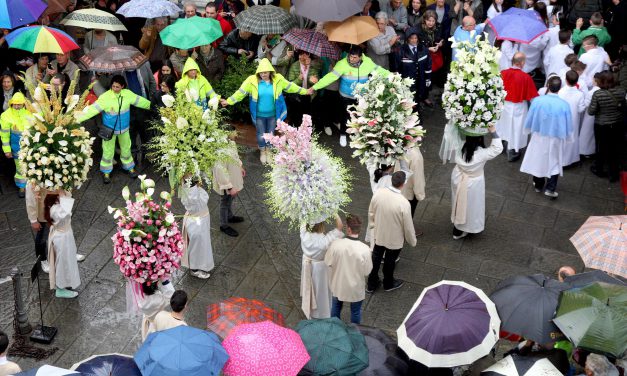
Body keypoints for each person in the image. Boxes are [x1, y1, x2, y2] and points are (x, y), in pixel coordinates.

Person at [221, 58, 308, 163]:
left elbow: (291, 87)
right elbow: (241, 92)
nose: (263, 74)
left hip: (273, 114)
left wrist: (305, 91)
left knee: (271, 133)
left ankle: (269, 151)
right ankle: (263, 151)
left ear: (270, 72)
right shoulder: (251, 80)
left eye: (265, 72)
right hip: (259, 115)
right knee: (261, 134)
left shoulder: (278, 79)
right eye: (261, 72)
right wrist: (229, 101)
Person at [311, 46, 389, 147]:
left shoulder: (368, 62)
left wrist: (392, 76)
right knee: (344, 117)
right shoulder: (342, 63)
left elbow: (380, 71)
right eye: (350, 56)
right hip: (345, 96)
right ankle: (342, 135)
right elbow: (330, 77)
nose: (351, 59)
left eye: (354, 57)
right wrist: (315, 87)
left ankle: (358, 137)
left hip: (361, 96)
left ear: (360, 57)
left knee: (360, 117)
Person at [78, 75, 150, 184]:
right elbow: (92, 110)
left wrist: (154, 106)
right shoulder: (105, 97)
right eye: (113, 86)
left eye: (117, 87)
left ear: (123, 86)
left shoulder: (127, 94)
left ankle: (129, 167)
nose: (115, 89)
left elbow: (141, 101)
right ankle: (106, 172)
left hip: (124, 129)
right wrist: (76, 118)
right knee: (108, 151)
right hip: (109, 130)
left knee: (126, 148)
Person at [520, 76, 573, 199]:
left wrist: (527, 130)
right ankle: (550, 187)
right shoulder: (564, 105)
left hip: (539, 135)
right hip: (556, 138)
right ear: (560, 88)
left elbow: (530, 117)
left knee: (538, 159)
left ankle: (538, 185)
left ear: (548, 86)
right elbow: (568, 123)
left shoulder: (538, 101)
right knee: (554, 161)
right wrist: (569, 138)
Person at [367, 171, 417, 293]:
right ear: (403, 183)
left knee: (376, 256)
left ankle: (371, 283)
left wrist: (373, 225)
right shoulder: (404, 203)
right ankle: (388, 283)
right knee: (390, 260)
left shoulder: (379, 193)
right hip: (394, 237)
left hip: (380, 233)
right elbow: (408, 227)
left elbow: (371, 212)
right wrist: (412, 241)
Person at [451, 125, 502, 240]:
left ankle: (457, 227)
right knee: (472, 206)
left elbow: (453, 135)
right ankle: (466, 228)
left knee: (458, 200)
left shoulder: (460, 146)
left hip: (458, 177)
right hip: (473, 183)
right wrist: (493, 131)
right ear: (480, 139)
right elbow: (497, 148)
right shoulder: (481, 154)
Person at [324, 214, 372, 324]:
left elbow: (328, 262)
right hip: (355, 287)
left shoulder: (336, 244)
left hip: (338, 284)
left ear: (348, 229)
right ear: (359, 230)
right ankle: (355, 331)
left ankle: (335, 327)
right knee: (355, 311)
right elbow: (367, 271)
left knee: (336, 307)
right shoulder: (365, 249)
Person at [496, 52, 539, 162]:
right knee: (517, 128)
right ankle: (513, 151)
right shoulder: (526, 77)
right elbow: (533, 97)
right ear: (522, 63)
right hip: (519, 107)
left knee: (503, 125)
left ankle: (501, 145)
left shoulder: (502, 73)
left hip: (504, 105)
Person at [300, 215, 344, 319]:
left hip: (307, 264)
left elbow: (303, 219)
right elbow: (340, 226)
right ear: (321, 225)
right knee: (321, 291)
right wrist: (334, 212)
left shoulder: (303, 232)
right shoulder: (324, 241)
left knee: (310, 288)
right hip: (320, 269)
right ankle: (321, 313)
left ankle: (310, 310)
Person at [588, 70, 626, 182]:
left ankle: (599, 169)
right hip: (617, 124)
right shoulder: (621, 91)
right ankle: (614, 173)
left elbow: (591, 111)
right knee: (615, 148)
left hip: (602, 125)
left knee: (601, 147)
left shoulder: (598, 94)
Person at [46, 196, 81, 298]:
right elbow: (66, 212)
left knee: (67, 260)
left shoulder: (56, 204)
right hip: (61, 238)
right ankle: (60, 288)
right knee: (62, 262)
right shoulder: (56, 209)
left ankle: (67, 281)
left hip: (65, 236)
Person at [181, 182, 214, 279]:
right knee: (198, 245)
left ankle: (201, 264)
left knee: (202, 244)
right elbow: (193, 199)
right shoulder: (190, 195)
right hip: (197, 223)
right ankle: (195, 268)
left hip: (201, 219)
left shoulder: (192, 190)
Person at [212, 140, 245, 237]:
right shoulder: (220, 151)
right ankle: (224, 225)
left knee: (230, 199)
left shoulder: (232, 143)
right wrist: (229, 187)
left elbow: (235, 157)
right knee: (225, 202)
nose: (236, 134)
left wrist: (240, 167)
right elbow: (220, 171)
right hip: (226, 182)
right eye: (234, 132)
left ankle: (229, 216)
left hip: (233, 177)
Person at [392, 29, 432, 108]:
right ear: (407, 39)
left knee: (421, 93)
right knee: (411, 100)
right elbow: (396, 67)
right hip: (408, 80)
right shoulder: (400, 51)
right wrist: (398, 82)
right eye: (411, 38)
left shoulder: (424, 49)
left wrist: (428, 78)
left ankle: (422, 100)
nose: (414, 40)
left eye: (415, 38)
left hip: (421, 78)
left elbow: (428, 65)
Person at [1, 92, 31, 197]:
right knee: (20, 167)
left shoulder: (30, 114)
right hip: (16, 147)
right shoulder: (5, 116)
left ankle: (32, 186)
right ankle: (21, 187)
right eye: (15, 104)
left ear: (24, 104)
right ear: (11, 103)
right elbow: (4, 135)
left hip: (30, 146)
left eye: (19, 104)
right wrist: (7, 150)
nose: (17, 106)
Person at [558, 70, 585, 167]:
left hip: (561, 119)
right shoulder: (580, 94)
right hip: (573, 120)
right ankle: (570, 160)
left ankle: (560, 160)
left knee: (561, 139)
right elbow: (581, 109)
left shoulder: (560, 92)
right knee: (572, 140)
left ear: (566, 80)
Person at [286, 50, 321, 125]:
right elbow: (291, 84)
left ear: (309, 55)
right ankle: (295, 129)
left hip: (309, 94)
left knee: (307, 116)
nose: (303, 57)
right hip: (298, 95)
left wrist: (313, 80)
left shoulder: (313, 66)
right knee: (297, 116)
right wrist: (298, 79)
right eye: (301, 54)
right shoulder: (294, 66)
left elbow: (315, 82)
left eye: (306, 54)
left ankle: (306, 132)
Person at [396, 146, 426, 219]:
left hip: (397, 187)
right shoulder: (416, 155)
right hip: (408, 193)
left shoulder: (399, 146)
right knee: (407, 218)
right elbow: (418, 176)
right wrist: (419, 194)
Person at [579, 72, 600, 157]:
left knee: (586, 133)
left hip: (589, 115)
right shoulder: (602, 90)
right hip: (598, 115)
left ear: (595, 80)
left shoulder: (592, 92)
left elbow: (586, 104)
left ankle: (585, 151)